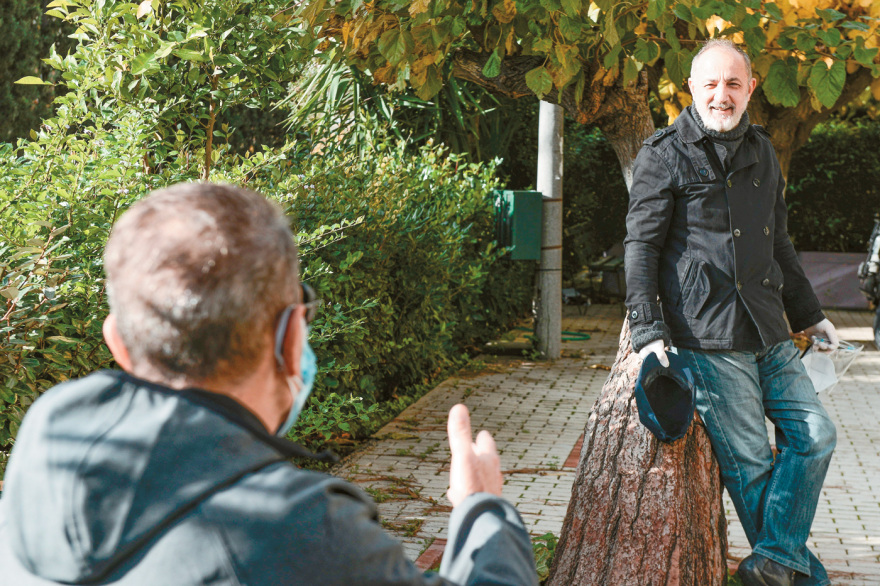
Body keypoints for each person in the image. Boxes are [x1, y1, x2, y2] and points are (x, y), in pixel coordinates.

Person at [0, 183, 539, 585]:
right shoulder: (299, 530)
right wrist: (482, 509)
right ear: (290, 338)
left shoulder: (48, 434)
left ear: (117, 343)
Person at [624, 39, 838, 586]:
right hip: (707, 332)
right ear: (691, 88)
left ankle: (773, 565)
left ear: (750, 89)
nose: (723, 94)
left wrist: (810, 315)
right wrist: (648, 332)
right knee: (753, 471)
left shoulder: (762, 149)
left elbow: (779, 242)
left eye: (733, 84)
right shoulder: (663, 152)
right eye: (711, 84)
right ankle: (801, 576)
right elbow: (642, 247)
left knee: (816, 436)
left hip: (769, 327)